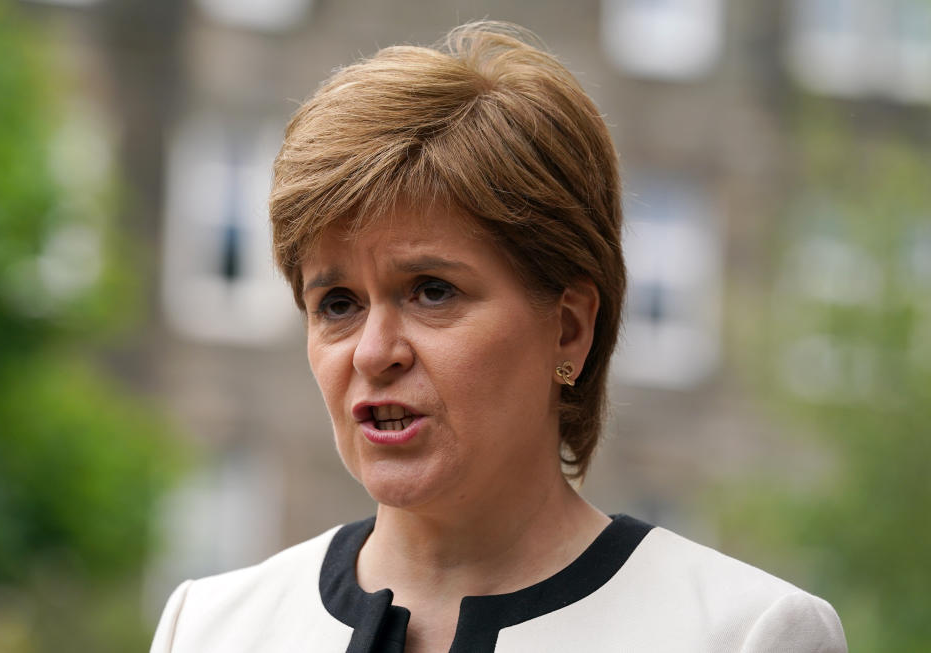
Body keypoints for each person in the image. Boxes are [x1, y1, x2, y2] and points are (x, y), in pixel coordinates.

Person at [150, 21, 847, 653]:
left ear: (569, 328)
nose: (372, 352)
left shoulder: (746, 633)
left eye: (432, 291)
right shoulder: (210, 627)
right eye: (337, 303)